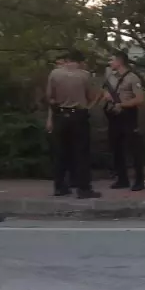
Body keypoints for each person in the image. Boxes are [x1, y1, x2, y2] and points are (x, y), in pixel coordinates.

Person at [46, 50, 101, 199]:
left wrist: (55, 110)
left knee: (60, 152)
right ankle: (83, 188)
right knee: (81, 152)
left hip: (60, 115)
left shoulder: (55, 74)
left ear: (67, 59)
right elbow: (92, 95)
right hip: (78, 115)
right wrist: (88, 106)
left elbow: (50, 97)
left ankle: (59, 186)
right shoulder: (84, 75)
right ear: (80, 61)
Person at [102, 51, 145, 191]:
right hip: (114, 115)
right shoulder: (111, 77)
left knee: (134, 148)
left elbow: (139, 99)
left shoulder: (133, 78)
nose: (110, 63)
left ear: (120, 61)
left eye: (112, 60)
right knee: (116, 148)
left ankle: (139, 180)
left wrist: (123, 104)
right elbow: (104, 91)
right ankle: (122, 179)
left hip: (128, 115)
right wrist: (107, 96)